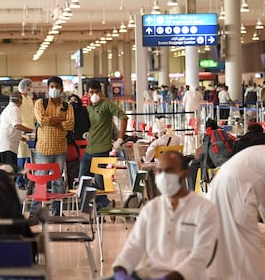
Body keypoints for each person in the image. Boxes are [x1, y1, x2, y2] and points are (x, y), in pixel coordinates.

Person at [112, 151, 219, 280]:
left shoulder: (205, 209)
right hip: (151, 274)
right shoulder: (151, 209)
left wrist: (168, 278)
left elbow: (201, 256)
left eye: (169, 170)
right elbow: (133, 246)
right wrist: (121, 271)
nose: (163, 176)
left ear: (184, 174)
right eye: (159, 171)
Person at [207, 145, 265, 280]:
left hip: (224, 182)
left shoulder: (259, 153)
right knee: (245, 250)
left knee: (229, 245)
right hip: (237, 188)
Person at [28, 76, 74, 222]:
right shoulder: (40, 103)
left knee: (58, 182)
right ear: (48, 89)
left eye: (57, 87)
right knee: (40, 180)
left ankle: (57, 212)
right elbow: (42, 120)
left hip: (60, 149)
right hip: (43, 149)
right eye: (52, 87)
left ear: (61, 89)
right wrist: (61, 119)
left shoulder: (68, 106)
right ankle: (34, 213)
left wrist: (52, 121)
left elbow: (70, 125)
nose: (55, 89)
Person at [78, 79, 127, 210]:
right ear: (86, 93)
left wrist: (120, 139)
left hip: (103, 149)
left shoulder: (106, 104)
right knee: (83, 177)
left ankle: (103, 206)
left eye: (97, 91)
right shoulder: (88, 107)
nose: (94, 94)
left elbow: (123, 117)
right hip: (90, 148)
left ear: (101, 92)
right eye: (91, 92)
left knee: (100, 179)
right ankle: (90, 205)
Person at [0, 91, 33, 169]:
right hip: (8, 146)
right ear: (20, 100)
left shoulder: (8, 109)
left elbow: (10, 127)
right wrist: (31, 130)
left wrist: (22, 138)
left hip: (4, 144)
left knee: (7, 170)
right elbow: (17, 126)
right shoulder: (14, 109)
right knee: (10, 170)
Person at [17, 78, 36, 189]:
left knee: (30, 156)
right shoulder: (19, 99)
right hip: (22, 129)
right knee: (21, 157)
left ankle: (30, 180)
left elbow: (32, 113)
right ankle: (20, 182)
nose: (30, 88)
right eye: (29, 86)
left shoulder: (29, 98)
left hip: (31, 128)